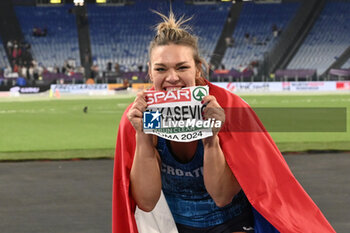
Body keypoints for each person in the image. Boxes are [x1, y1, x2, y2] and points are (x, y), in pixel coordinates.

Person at [112, 10, 335, 233]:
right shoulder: (139, 116)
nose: (172, 78)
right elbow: (146, 202)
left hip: (232, 224)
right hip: (176, 226)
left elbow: (222, 197)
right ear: (150, 73)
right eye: (161, 69)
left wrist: (211, 140)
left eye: (182, 67)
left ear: (198, 68)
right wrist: (142, 136)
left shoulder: (229, 109)